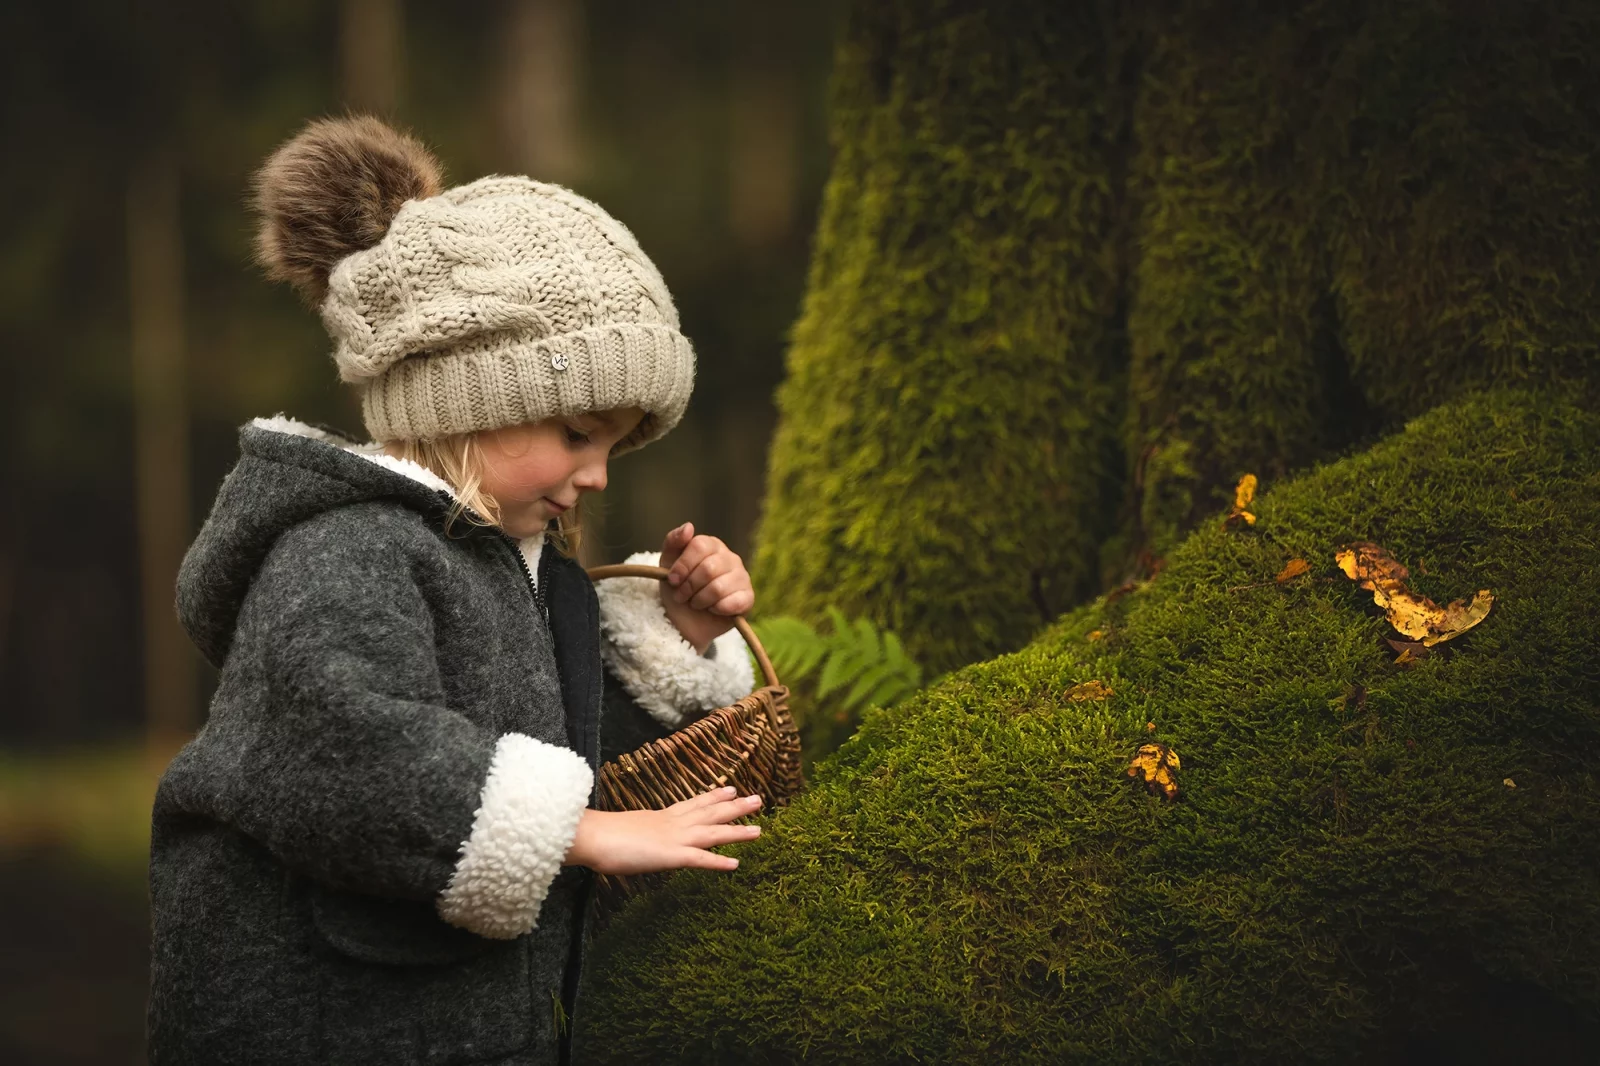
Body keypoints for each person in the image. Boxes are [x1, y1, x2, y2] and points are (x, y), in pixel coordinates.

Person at [148, 115, 763, 1065]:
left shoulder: (524, 568)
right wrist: (581, 833)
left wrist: (678, 633)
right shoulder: (345, 552)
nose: (597, 475)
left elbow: (560, 749)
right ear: (467, 400)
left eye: (615, 446)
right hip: (321, 1019)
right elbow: (337, 744)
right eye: (577, 433)